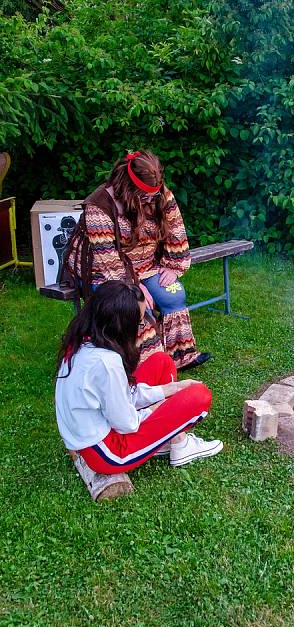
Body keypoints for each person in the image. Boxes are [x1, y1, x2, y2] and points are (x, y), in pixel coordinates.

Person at [63, 149, 210, 369]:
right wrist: (136, 288)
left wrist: (174, 265)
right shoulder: (99, 206)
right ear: (128, 185)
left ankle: (180, 356)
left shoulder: (160, 194)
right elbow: (108, 261)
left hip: (145, 265)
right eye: (144, 195)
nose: (150, 199)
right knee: (136, 306)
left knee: (174, 296)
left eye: (154, 194)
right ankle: (148, 368)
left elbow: (175, 229)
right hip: (100, 271)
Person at [55, 281, 223, 473]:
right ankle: (180, 444)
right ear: (121, 325)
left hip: (90, 433)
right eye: (139, 321)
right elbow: (126, 423)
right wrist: (160, 408)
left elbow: (121, 395)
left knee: (162, 362)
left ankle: (175, 440)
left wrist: (170, 389)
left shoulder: (83, 342)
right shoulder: (106, 363)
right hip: (108, 453)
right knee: (200, 396)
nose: (141, 328)